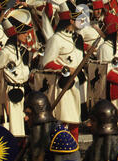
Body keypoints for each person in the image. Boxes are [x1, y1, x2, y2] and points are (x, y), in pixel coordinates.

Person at [41, 1, 86, 142]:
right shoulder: (56, 39)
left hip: (76, 84)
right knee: (63, 119)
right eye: (78, 18)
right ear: (71, 20)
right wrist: (66, 69)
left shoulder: (78, 38)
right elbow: (46, 63)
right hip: (62, 85)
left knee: (75, 121)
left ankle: (73, 153)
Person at [0, 12, 33, 138]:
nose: (27, 35)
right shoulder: (5, 53)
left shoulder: (22, 51)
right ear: (16, 33)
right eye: (24, 32)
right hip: (8, 93)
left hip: (21, 91)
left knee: (19, 127)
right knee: (9, 128)